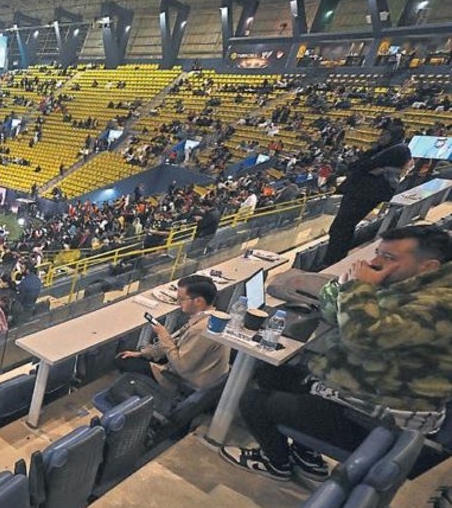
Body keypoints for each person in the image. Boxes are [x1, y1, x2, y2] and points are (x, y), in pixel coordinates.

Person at [222, 225, 452, 481]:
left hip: (378, 421)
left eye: (389, 257)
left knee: (253, 401)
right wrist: (346, 285)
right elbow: (333, 313)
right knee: (272, 376)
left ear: (428, 267)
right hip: (363, 392)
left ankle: (277, 463)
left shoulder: (439, 306)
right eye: (378, 253)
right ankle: (306, 457)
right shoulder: (406, 285)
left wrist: (358, 287)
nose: (375, 263)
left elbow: (361, 335)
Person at [115, 275, 227, 393]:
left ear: (198, 301)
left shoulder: (200, 329)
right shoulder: (212, 319)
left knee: (123, 360)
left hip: (182, 381)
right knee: (138, 354)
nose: (178, 303)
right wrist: (142, 354)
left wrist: (164, 336)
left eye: (181, 299)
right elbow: (179, 343)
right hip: (195, 371)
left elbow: (181, 367)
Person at [323, 121, 412, 266]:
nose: (381, 137)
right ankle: (334, 259)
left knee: (341, 228)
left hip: (366, 194)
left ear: (395, 136)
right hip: (358, 191)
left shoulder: (400, 150)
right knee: (341, 228)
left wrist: (370, 166)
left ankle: (332, 261)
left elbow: (363, 165)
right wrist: (369, 166)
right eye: (381, 134)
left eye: (385, 135)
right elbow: (357, 165)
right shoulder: (381, 149)